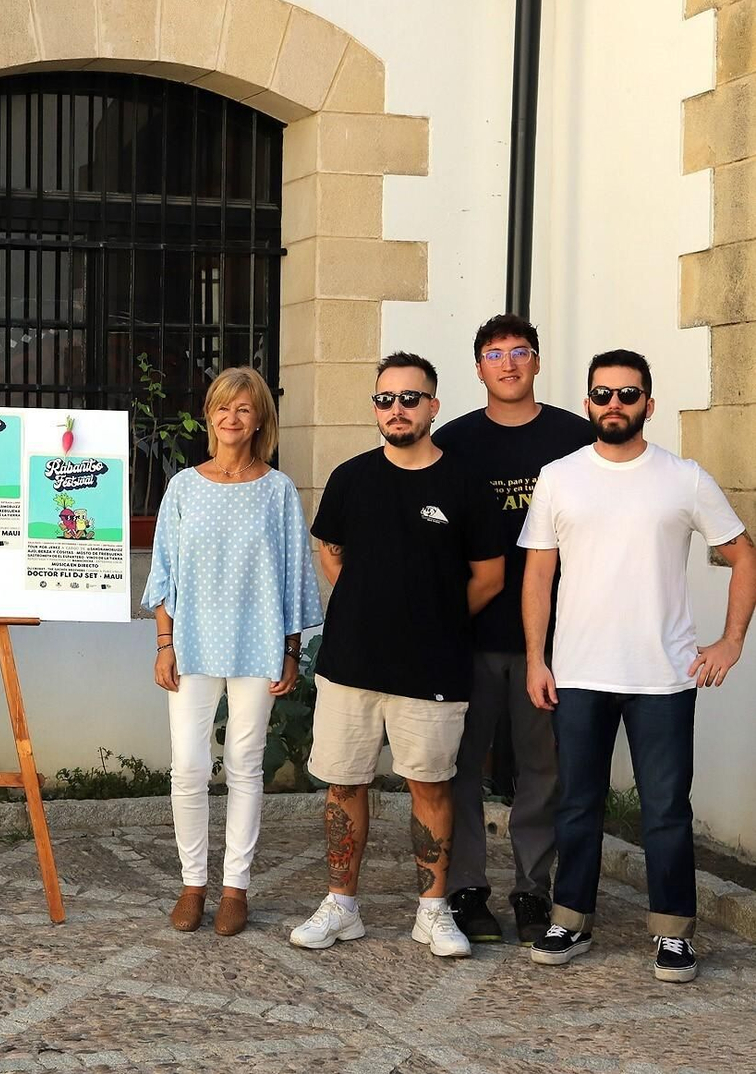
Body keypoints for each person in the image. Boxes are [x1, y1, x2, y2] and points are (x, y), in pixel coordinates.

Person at [522, 350, 755, 983]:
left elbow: (743, 556)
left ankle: (674, 933)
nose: (614, 405)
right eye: (602, 395)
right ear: (588, 402)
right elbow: (539, 573)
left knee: (666, 810)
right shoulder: (559, 477)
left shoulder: (684, 478)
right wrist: (536, 659)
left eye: (628, 395)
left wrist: (729, 642)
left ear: (649, 404)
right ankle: (570, 918)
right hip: (577, 672)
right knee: (576, 804)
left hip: (664, 678)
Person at [292, 352, 504, 959]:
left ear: (434, 405)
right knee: (343, 786)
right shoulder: (352, 477)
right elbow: (331, 555)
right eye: (385, 399)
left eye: (410, 398)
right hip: (351, 665)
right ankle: (342, 906)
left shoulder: (464, 482)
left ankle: (432, 913)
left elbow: (488, 577)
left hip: (433, 668)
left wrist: (434, 617)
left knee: (431, 788)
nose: (396, 409)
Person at [142, 366, 322, 936]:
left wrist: (292, 651)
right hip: (192, 642)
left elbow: (294, 573)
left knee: (245, 767)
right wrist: (164, 643)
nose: (231, 418)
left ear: (260, 419)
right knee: (188, 766)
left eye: (244, 408)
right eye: (223, 407)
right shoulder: (183, 488)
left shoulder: (277, 491)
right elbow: (164, 572)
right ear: (210, 414)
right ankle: (193, 883)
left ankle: (234, 887)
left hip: (258, 642)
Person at [433, 315, 591, 945]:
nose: (507, 363)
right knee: (461, 767)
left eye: (519, 352)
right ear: (479, 368)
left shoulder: (575, 438)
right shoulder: (455, 442)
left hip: (554, 641)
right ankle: (468, 888)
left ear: (536, 361)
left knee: (541, 769)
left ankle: (532, 890)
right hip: (470, 636)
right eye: (494, 354)